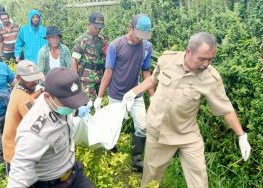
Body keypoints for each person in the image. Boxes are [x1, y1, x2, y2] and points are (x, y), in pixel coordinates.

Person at [124, 32, 252, 187]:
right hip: (158, 130)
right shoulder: (167, 59)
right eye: (202, 58)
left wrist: (241, 135)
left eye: (210, 59)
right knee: (151, 179)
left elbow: (225, 108)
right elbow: (153, 79)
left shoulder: (210, 78)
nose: (206, 64)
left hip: (187, 134)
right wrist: (133, 92)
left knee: (199, 180)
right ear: (188, 51)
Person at [7, 67, 93, 187]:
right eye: (68, 103)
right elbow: (18, 176)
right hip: (51, 183)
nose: (72, 107)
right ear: (47, 97)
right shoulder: (34, 132)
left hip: (73, 172)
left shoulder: (58, 102)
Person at [95, 14, 152, 172]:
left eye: (144, 36)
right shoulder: (116, 45)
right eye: (139, 34)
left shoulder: (146, 47)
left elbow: (146, 72)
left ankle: (136, 161)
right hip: (116, 94)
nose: (141, 39)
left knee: (142, 126)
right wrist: (100, 97)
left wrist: (152, 96)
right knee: (114, 127)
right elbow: (108, 72)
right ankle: (112, 155)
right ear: (131, 28)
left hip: (136, 94)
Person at [2, 60, 44, 174]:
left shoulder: (19, 88)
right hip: (17, 153)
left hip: (13, 146)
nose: (35, 82)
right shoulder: (23, 100)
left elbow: (29, 96)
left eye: (36, 78)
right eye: (31, 80)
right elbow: (38, 124)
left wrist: (41, 91)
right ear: (19, 78)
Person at [71, 12, 106, 100]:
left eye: (100, 28)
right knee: (88, 106)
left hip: (100, 78)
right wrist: (75, 78)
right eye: (96, 27)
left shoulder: (102, 40)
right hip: (86, 80)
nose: (98, 30)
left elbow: (105, 58)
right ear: (88, 25)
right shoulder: (82, 40)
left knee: (100, 105)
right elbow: (74, 59)